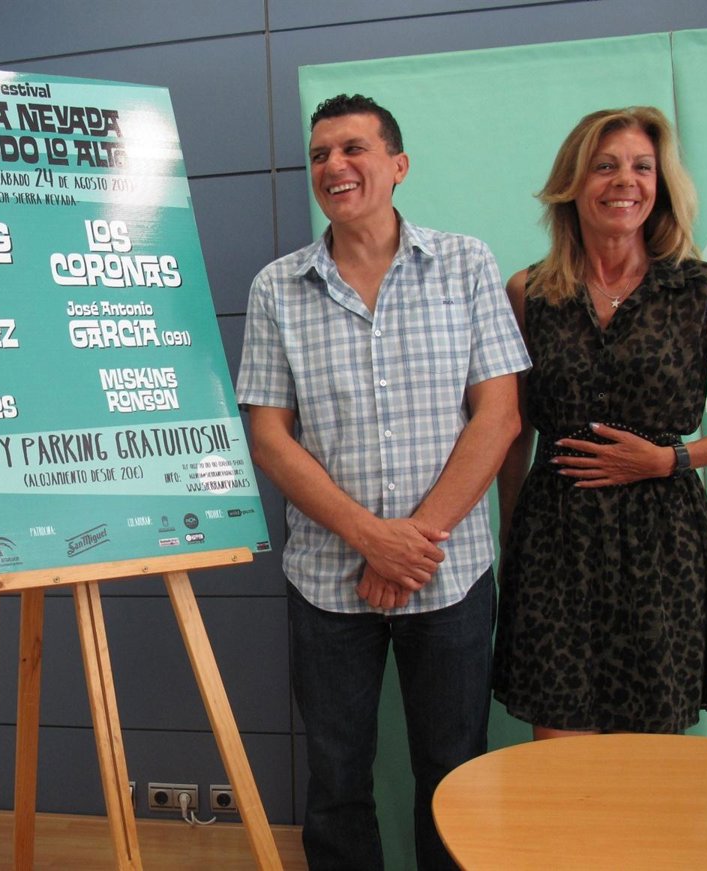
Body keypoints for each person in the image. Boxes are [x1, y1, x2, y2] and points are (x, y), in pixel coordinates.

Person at [237, 94, 529, 870]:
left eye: (353, 148)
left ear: (398, 166)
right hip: (328, 584)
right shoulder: (277, 287)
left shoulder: (466, 264)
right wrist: (372, 538)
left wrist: (409, 546)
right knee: (335, 781)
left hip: (448, 574)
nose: (334, 165)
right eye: (320, 154)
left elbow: (498, 416)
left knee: (454, 773)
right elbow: (269, 437)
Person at [493, 106, 707, 739]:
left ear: (660, 185)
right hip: (555, 542)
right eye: (605, 166)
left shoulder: (701, 290)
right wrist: (512, 534)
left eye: (642, 167)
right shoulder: (530, 292)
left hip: (662, 542)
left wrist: (671, 458)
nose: (626, 181)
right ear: (573, 183)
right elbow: (514, 429)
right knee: (559, 751)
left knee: (649, 756)